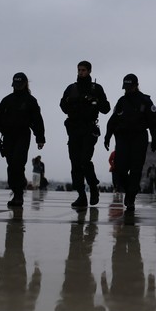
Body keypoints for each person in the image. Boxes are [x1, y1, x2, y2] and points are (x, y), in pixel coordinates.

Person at [0, 72, 45, 207]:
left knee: (18, 164)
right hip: (8, 136)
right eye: (16, 84)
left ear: (25, 84)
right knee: (11, 166)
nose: (18, 86)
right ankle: (15, 191)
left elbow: (37, 120)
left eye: (20, 84)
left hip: (23, 135)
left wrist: (40, 138)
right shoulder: (6, 100)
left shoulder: (30, 101)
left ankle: (18, 195)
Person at [104, 74, 156, 212]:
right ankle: (131, 190)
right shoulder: (122, 101)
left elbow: (154, 121)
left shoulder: (145, 101)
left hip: (138, 137)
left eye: (129, 87)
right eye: (125, 87)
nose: (127, 90)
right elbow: (113, 120)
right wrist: (107, 135)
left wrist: (155, 139)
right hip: (123, 137)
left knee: (136, 170)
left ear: (136, 85)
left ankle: (130, 198)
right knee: (120, 169)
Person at [60, 60, 110, 208]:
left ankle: (93, 186)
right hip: (74, 129)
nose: (80, 72)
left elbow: (106, 108)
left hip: (89, 128)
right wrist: (74, 103)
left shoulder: (96, 89)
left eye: (83, 70)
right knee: (75, 163)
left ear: (89, 71)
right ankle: (81, 195)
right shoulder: (71, 88)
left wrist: (95, 100)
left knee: (84, 160)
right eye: (79, 70)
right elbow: (63, 105)